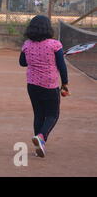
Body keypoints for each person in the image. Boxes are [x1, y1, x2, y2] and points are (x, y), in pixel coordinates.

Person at [19, 15, 69, 158]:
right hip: (49, 85)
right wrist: (65, 83)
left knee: (39, 114)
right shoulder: (55, 45)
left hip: (32, 85)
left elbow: (22, 62)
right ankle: (41, 138)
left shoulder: (27, 44)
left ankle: (39, 145)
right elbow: (62, 66)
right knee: (53, 114)